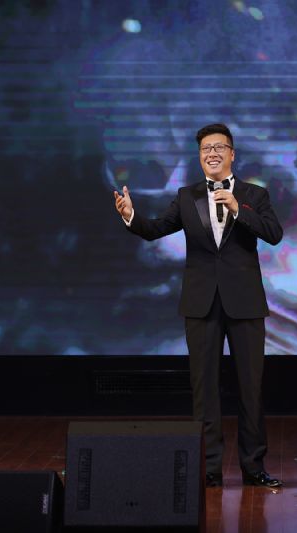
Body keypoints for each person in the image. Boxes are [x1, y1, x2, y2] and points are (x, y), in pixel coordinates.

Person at [113, 123, 284, 488]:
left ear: (232, 154)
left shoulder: (254, 194)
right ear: (199, 156)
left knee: (251, 387)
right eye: (206, 148)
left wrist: (238, 209)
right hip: (201, 303)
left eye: (219, 147)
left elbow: (274, 234)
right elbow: (155, 229)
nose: (212, 153)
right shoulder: (186, 195)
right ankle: (208, 468)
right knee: (204, 388)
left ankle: (253, 467)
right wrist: (130, 216)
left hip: (245, 303)